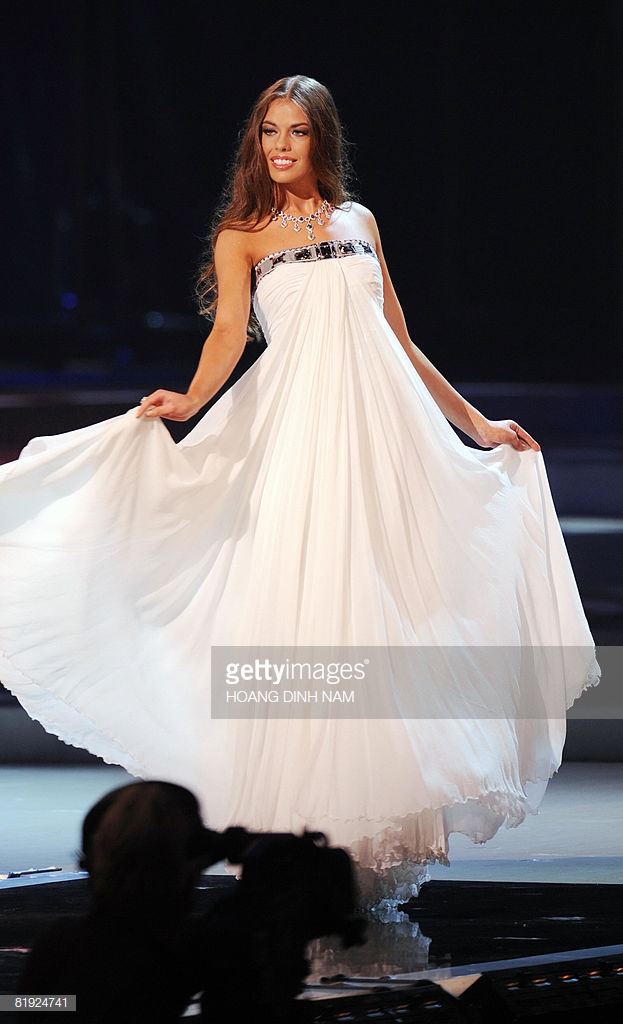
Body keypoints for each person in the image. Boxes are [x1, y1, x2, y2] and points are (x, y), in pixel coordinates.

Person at [0, 76, 598, 906]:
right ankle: (296, 825)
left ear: (322, 140)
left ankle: (375, 826)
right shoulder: (242, 235)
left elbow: (399, 339)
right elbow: (226, 334)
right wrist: (190, 402)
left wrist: (475, 423)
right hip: (297, 436)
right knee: (306, 604)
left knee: (384, 606)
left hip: (381, 438)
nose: (280, 146)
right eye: (268, 132)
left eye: (296, 132)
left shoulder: (359, 222)